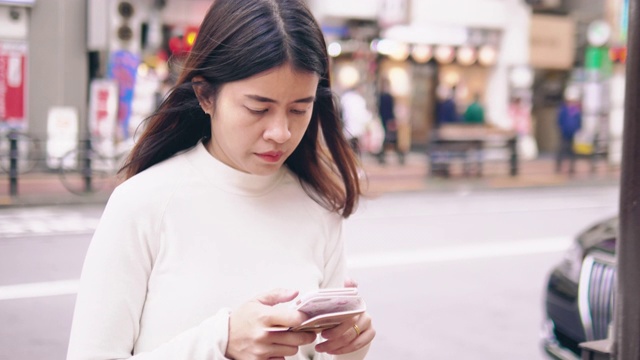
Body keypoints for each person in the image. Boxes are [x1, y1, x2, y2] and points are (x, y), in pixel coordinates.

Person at [66, 1, 375, 359]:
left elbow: (322, 352)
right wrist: (220, 341)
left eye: (299, 109)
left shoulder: (318, 208)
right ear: (205, 95)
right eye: (258, 108)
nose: (280, 131)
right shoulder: (143, 203)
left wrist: (351, 345)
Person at [375, 79, 405, 165]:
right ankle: (395, 155)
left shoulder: (384, 96)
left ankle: (396, 155)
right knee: (389, 138)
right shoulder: (384, 96)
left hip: (386, 120)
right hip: (387, 120)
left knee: (389, 138)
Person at [340, 83, 371, 157]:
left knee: (350, 142)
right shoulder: (358, 99)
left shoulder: (346, 97)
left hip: (349, 124)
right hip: (353, 124)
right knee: (353, 142)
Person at [556, 97, 582, 174]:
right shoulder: (563, 110)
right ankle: (559, 166)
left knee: (572, 151)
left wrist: (577, 129)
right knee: (562, 150)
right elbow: (559, 121)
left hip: (572, 133)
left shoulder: (575, 110)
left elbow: (578, 121)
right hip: (564, 133)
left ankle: (571, 167)